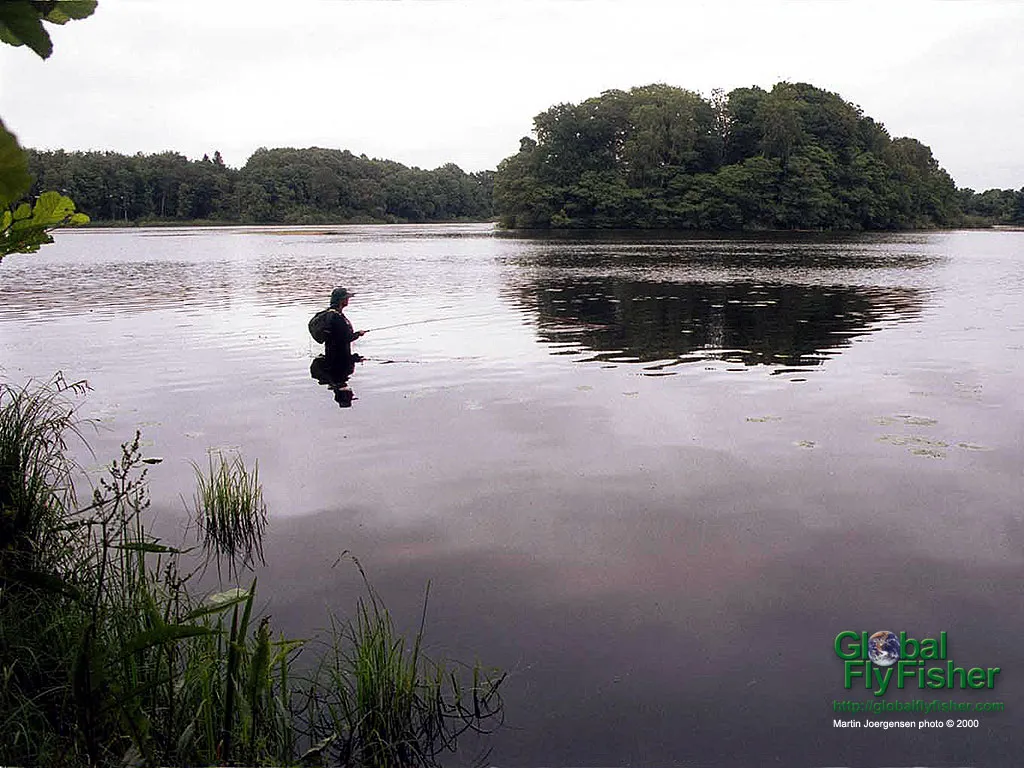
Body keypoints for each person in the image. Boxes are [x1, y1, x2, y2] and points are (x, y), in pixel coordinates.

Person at [324, 286, 367, 366]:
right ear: (341, 300)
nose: (348, 300)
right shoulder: (337, 317)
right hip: (339, 358)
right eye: (346, 298)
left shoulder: (330, 313)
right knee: (341, 377)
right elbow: (345, 338)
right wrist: (358, 334)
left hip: (331, 355)